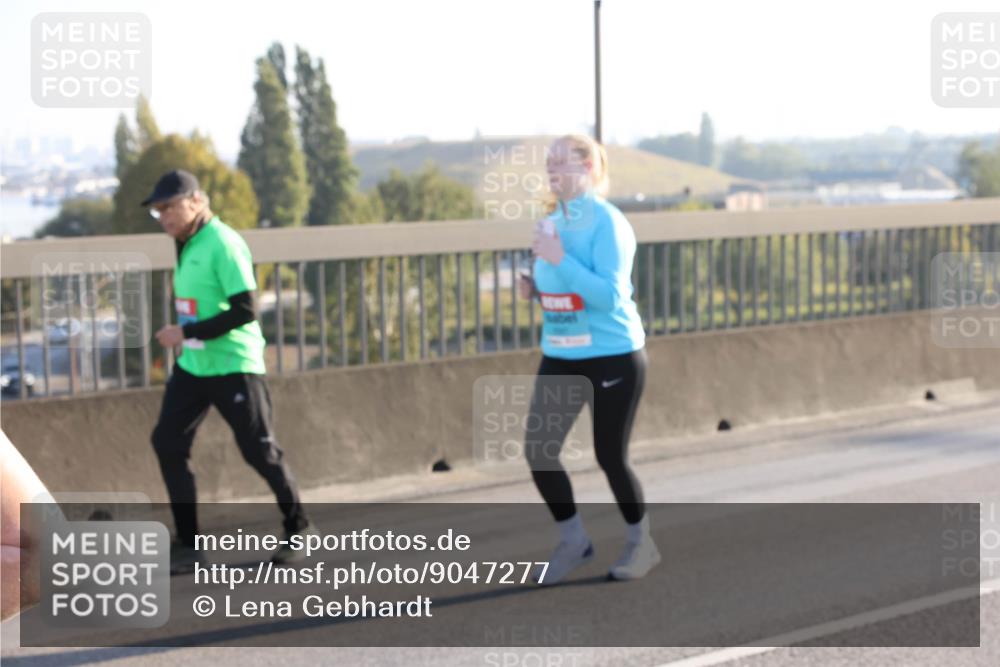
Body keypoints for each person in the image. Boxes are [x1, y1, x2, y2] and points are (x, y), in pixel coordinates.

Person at [143, 170, 315, 573]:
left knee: (259, 451)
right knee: (167, 442)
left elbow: (245, 310)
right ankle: (189, 544)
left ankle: (300, 527)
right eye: (158, 210)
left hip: (234, 364)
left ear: (197, 201)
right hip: (194, 365)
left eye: (170, 206)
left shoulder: (223, 242)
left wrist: (185, 331)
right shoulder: (186, 243)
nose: (164, 216)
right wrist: (188, 338)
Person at [519, 135, 659, 585]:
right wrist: (536, 290)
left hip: (613, 354)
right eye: (548, 163)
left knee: (609, 456)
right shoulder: (550, 221)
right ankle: (574, 541)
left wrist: (559, 257)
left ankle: (642, 544)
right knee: (539, 452)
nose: (552, 170)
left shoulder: (608, 223)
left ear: (588, 169)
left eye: (561, 162)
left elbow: (609, 297)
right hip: (561, 353)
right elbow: (561, 287)